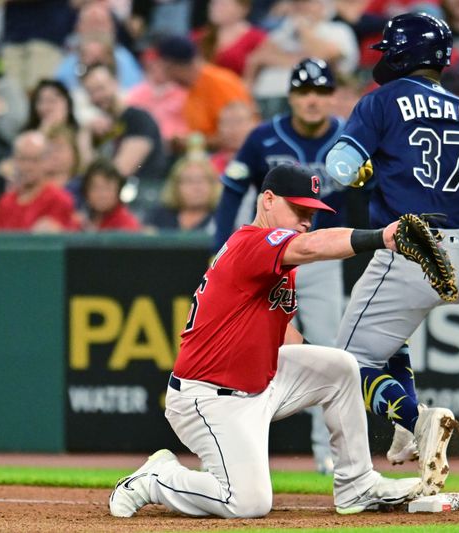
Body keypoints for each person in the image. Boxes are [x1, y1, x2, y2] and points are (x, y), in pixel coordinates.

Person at [108, 164, 423, 519]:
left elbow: (285, 334)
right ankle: (157, 478)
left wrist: (349, 381)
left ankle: (357, 486)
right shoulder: (252, 243)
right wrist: (381, 237)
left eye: (312, 213)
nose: (307, 220)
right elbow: (310, 247)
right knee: (248, 503)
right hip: (209, 397)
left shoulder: (276, 263)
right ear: (268, 200)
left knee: (340, 367)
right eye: (299, 210)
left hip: (260, 385)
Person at [325, 13, 459, 495]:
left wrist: (365, 171)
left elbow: (340, 166)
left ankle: (418, 420)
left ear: (402, 53)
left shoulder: (382, 102)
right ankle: (410, 434)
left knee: (346, 368)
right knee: (391, 338)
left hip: (408, 246)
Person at [214, 58, 348, 475]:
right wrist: (221, 250)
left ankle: (328, 455)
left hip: (318, 259)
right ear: (291, 96)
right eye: (305, 91)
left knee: (330, 354)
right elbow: (231, 193)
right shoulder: (261, 136)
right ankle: (225, 444)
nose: (313, 99)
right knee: (243, 348)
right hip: (262, 261)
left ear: (333, 97)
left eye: (322, 91)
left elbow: (362, 201)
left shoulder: (348, 140)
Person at [156, 35, 253, 151]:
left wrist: (190, 143)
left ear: (172, 67)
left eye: (165, 68)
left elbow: (240, 134)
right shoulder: (191, 89)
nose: (166, 75)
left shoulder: (218, 83)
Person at [80, 63, 167, 184]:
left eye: (101, 88)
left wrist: (85, 137)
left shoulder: (138, 119)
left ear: (115, 82)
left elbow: (118, 173)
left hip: (145, 194)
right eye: (91, 92)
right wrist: (86, 132)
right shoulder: (101, 127)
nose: (97, 96)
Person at [0, 130, 78, 232]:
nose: (27, 166)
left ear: (46, 161)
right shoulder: (4, 203)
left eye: (34, 160)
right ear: (14, 161)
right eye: (22, 159)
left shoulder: (60, 200)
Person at [145, 152, 221, 234]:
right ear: (176, 186)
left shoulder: (222, 217)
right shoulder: (159, 215)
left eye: (203, 180)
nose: (197, 187)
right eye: (189, 181)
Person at [80, 158, 141, 232]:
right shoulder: (79, 220)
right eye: (95, 187)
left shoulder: (126, 225)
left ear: (118, 190)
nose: (102, 195)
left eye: (107, 188)